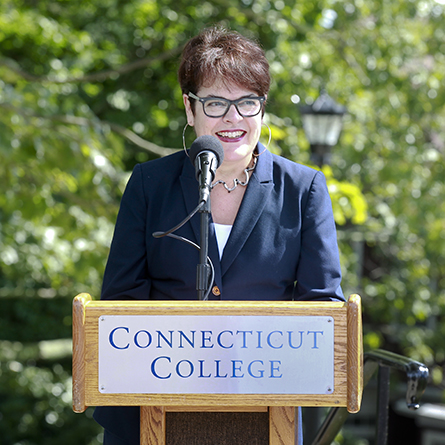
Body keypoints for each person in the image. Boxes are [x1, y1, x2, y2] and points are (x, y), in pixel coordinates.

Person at [93, 25, 345, 444]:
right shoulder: (148, 184)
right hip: (151, 413)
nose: (233, 118)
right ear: (190, 109)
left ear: (262, 109)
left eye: (247, 102)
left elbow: (323, 313)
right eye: (215, 103)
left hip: (266, 417)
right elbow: (121, 300)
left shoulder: (305, 190)